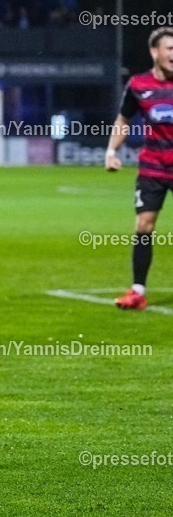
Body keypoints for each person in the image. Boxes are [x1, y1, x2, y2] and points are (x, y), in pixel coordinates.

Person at [105, 27, 173, 310]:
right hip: (153, 167)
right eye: (169, 49)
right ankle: (137, 291)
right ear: (154, 52)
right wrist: (111, 151)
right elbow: (123, 120)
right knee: (144, 225)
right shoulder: (138, 85)